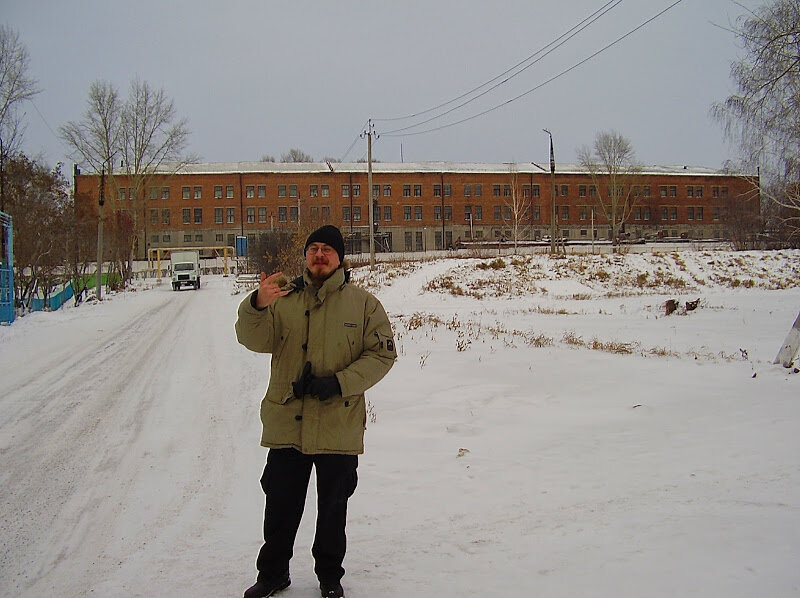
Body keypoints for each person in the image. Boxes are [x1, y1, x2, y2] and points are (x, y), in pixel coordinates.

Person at [235, 224, 397, 598]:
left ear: (340, 257)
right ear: (306, 255)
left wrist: (339, 383)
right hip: (288, 423)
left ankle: (329, 577)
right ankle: (273, 574)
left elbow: (382, 353)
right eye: (313, 249)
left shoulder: (364, 304)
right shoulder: (283, 299)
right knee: (280, 507)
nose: (319, 255)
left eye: (327, 249)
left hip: (337, 422)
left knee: (333, 509)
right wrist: (257, 304)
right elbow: (253, 339)